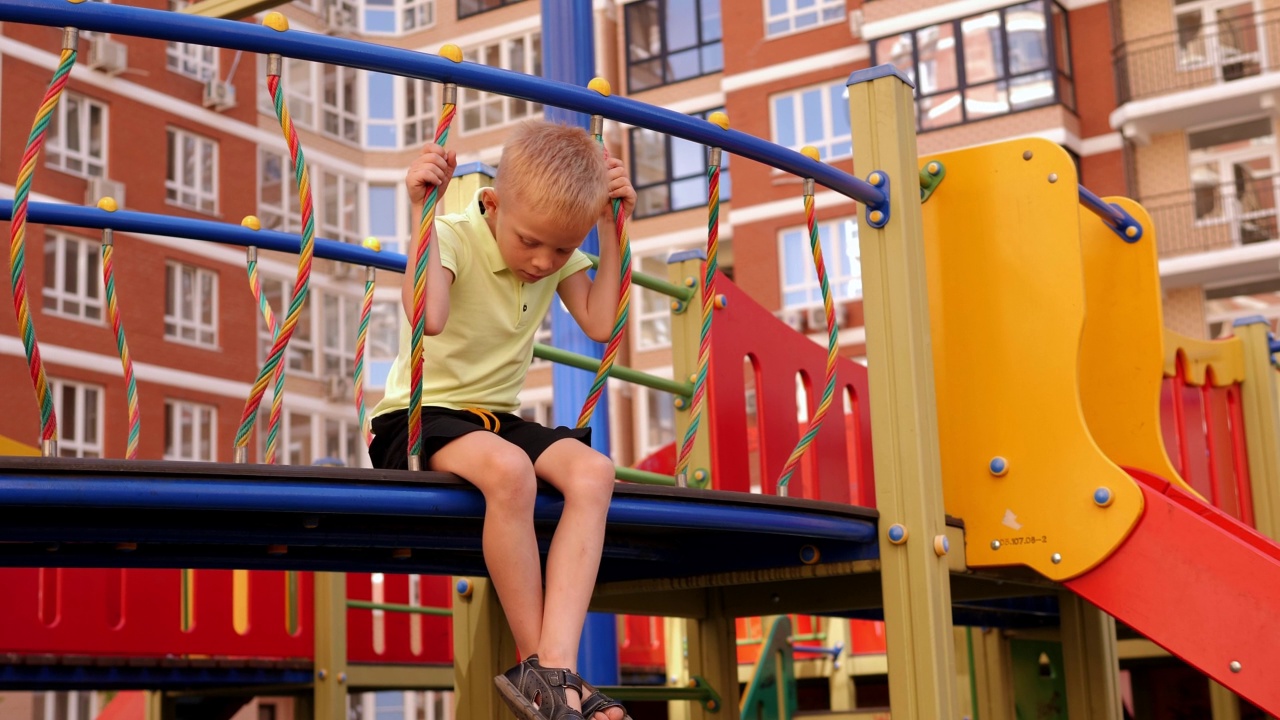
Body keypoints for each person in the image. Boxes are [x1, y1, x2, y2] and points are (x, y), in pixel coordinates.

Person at [368, 120, 635, 720]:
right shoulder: (457, 234)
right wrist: (422, 215)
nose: (543, 261)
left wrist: (614, 231)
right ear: (492, 202)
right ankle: (544, 672)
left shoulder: (554, 251)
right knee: (512, 471)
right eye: (531, 242)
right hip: (418, 418)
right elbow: (428, 318)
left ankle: (555, 673)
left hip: (494, 420)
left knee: (594, 472)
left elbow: (599, 323)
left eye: (562, 249)